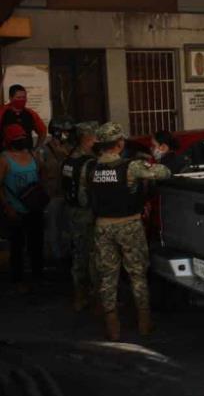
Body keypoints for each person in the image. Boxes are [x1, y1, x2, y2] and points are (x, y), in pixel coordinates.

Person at [89, 122, 171, 341]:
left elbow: (85, 199)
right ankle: (144, 322)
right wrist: (155, 161)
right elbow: (164, 173)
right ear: (118, 143)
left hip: (103, 227)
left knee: (108, 276)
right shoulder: (130, 166)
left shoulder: (92, 168)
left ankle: (112, 327)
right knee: (137, 274)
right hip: (129, 226)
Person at [0, 124, 45, 292]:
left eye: (22, 137)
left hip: (34, 208)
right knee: (17, 247)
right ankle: (18, 280)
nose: (21, 140)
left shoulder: (32, 155)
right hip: (16, 210)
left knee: (36, 245)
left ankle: (37, 277)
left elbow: (41, 172)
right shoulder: (4, 159)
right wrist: (7, 206)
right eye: (18, 138)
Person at [61, 122, 98, 311]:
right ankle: (93, 297)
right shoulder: (89, 162)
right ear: (87, 139)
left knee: (78, 255)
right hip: (87, 214)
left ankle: (79, 297)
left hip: (72, 211)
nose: (97, 140)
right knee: (91, 255)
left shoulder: (69, 159)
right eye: (94, 137)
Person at [38, 116, 75, 262]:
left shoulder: (70, 148)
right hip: (52, 195)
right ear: (56, 132)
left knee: (69, 227)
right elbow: (39, 171)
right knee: (53, 227)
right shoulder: (44, 150)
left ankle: (68, 254)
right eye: (64, 131)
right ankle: (55, 256)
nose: (67, 134)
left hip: (68, 195)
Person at [0, 84, 47, 150]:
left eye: (24, 97)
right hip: (6, 155)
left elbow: (42, 131)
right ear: (11, 98)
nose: (22, 100)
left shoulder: (31, 113)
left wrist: (37, 148)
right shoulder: (2, 112)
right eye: (18, 97)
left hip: (27, 154)